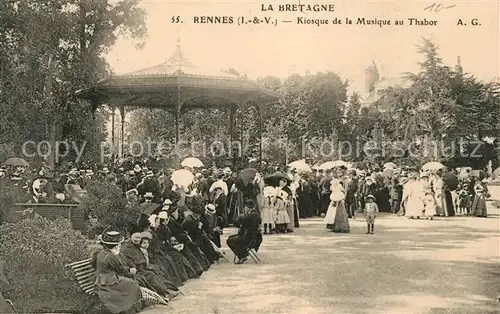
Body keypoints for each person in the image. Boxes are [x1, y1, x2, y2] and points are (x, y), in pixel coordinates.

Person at [92, 230, 143, 314]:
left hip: (103, 279)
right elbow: (121, 271)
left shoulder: (104, 252)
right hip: (108, 281)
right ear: (114, 246)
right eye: (119, 244)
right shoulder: (111, 256)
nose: (120, 246)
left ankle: (130, 306)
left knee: (130, 283)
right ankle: (128, 308)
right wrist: (132, 272)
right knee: (132, 285)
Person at [227, 199, 263, 264]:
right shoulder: (255, 214)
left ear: (247, 207)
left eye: (245, 207)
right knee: (231, 238)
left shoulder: (249, 215)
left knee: (230, 240)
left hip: (250, 237)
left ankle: (242, 255)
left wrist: (240, 218)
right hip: (253, 236)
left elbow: (237, 223)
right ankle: (243, 254)